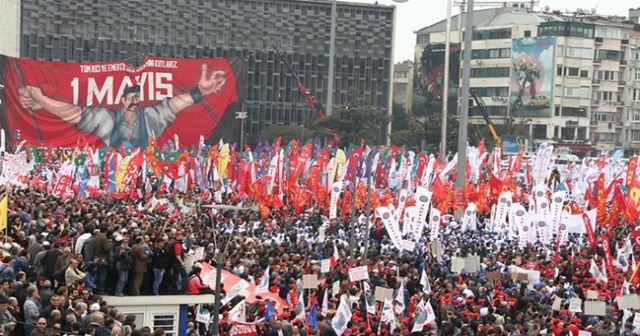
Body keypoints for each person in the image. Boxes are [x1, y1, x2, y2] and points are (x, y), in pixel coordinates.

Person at [18, 65, 227, 148]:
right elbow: (73, 113)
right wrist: (43, 100)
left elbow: (173, 105)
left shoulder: (150, 118)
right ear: (123, 101)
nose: (135, 101)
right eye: (131, 97)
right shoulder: (107, 120)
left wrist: (200, 92)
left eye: (138, 97)